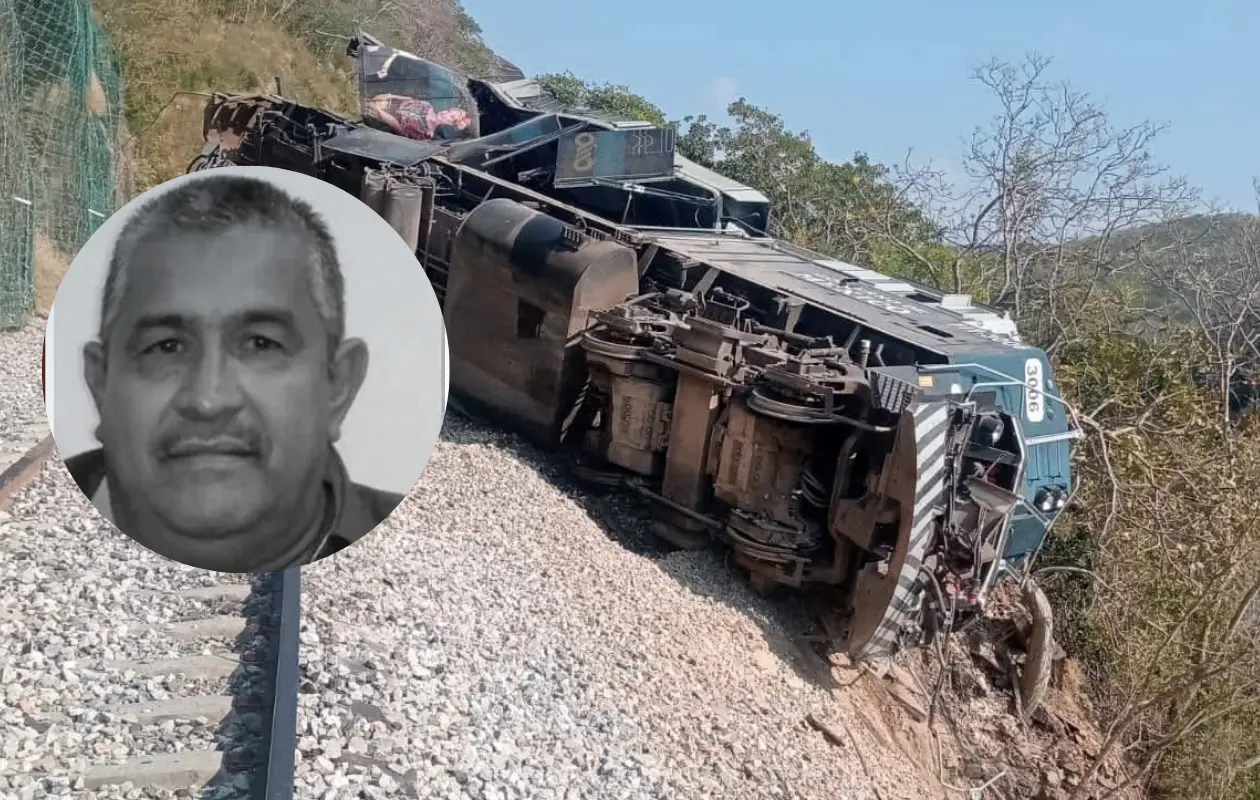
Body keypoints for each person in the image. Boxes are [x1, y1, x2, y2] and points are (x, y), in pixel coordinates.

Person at [64, 173, 404, 573]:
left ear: (338, 387)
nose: (209, 400)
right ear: (100, 383)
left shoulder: (404, 542)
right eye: (166, 347)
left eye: (261, 344)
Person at [365, 92, 473, 141]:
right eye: (448, 110)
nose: (445, 113)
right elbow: (406, 99)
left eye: (451, 117)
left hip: (375, 120)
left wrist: (378, 110)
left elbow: (395, 125)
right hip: (379, 103)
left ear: (450, 125)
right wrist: (388, 96)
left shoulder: (426, 134)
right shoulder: (427, 105)